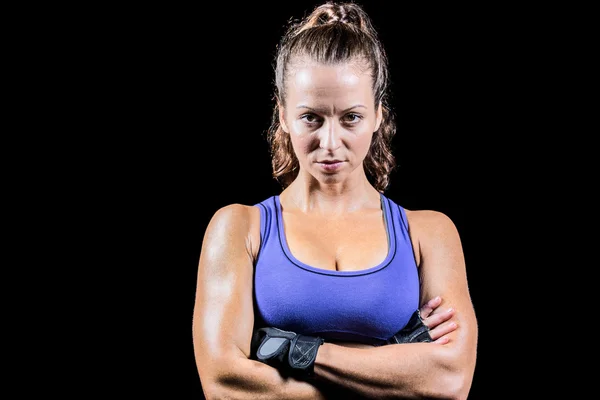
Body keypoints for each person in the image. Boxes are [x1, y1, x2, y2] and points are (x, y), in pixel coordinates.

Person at [192, 1, 478, 399]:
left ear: (378, 115)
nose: (330, 143)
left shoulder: (429, 232)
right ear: (284, 114)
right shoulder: (241, 227)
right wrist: (393, 365)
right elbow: (223, 382)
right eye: (311, 117)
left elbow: (450, 380)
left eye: (351, 118)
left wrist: (295, 351)